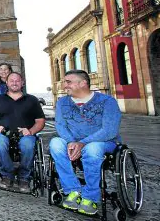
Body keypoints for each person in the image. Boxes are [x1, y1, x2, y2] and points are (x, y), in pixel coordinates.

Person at [50, 70, 122, 216]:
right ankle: (73, 190)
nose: (64, 86)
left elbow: (109, 130)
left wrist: (82, 143)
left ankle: (90, 198)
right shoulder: (62, 103)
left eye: (68, 82)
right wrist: (71, 141)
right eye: (64, 82)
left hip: (103, 142)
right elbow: (61, 126)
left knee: (92, 149)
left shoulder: (107, 101)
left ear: (83, 83)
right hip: (73, 141)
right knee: (55, 143)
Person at [0, 72, 45, 193]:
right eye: (11, 80)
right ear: (6, 83)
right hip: (4, 133)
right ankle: (8, 174)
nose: (14, 83)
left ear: (22, 83)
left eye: (17, 80)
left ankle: (24, 177)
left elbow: (40, 121)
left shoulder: (32, 100)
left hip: (25, 133)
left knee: (28, 144)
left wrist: (31, 131)